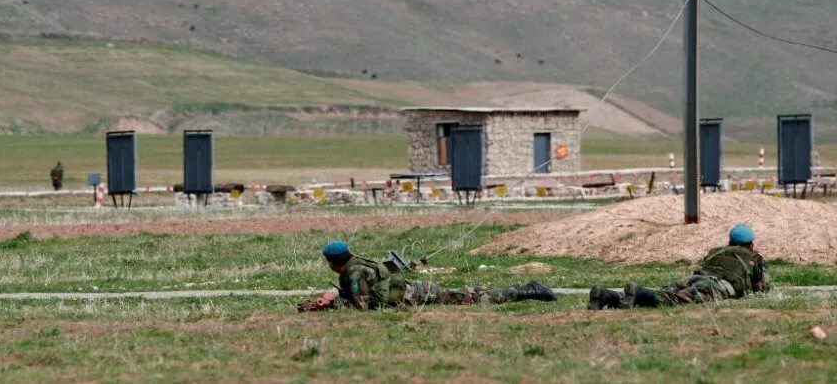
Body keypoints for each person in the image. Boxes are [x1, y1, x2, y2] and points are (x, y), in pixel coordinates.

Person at [300, 240, 558, 311]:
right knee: (468, 295)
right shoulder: (358, 263)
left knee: (473, 300)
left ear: (332, 262)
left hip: (417, 296)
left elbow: (362, 306)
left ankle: (526, 291)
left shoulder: (354, 272)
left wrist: (334, 301)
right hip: (415, 291)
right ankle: (519, 287)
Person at [587, 223, 771, 310]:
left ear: (729, 241)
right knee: (671, 300)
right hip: (715, 286)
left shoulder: (717, 251)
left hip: (693, 279)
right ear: (751, 245)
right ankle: (638, 292)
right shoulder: (754, 258)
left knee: (663, 293)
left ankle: (606, 295)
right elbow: (762, 290)